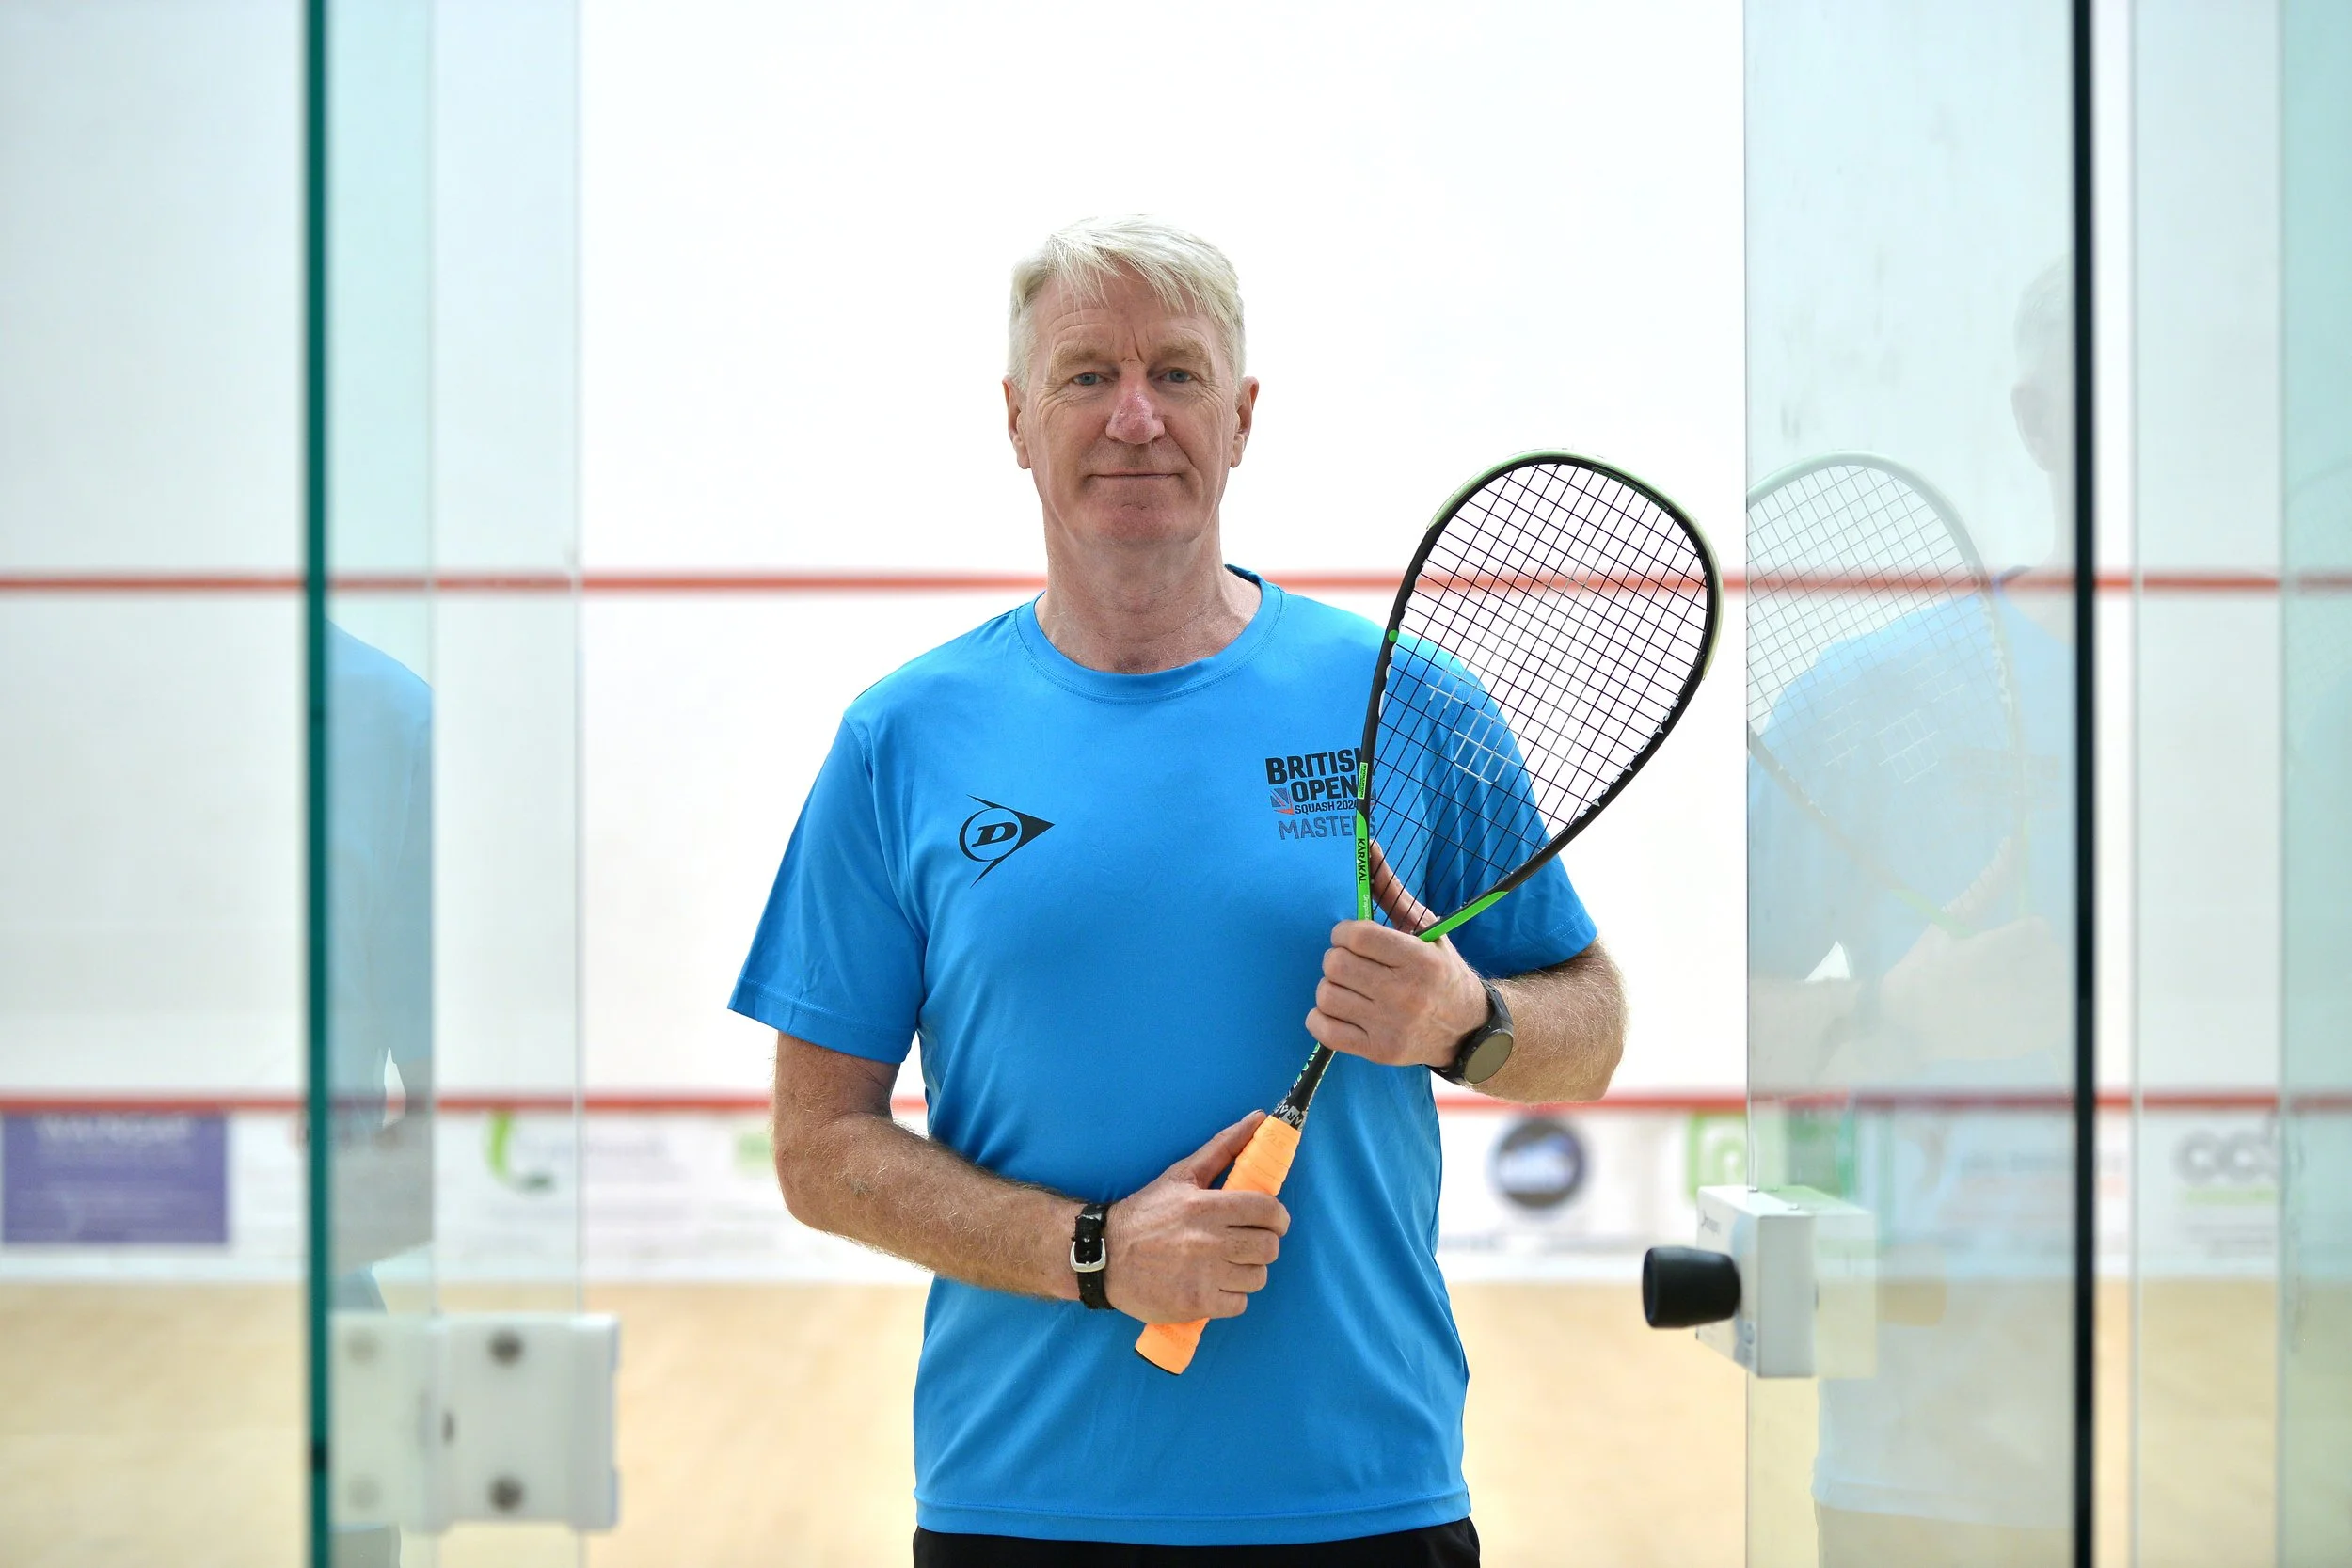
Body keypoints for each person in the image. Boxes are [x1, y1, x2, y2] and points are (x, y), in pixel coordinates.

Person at [730, 214, 1628, 1564]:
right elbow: (819, 1151)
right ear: (1019, 421)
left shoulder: (1410, 705)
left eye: (1180, 374)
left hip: (1366, 1495)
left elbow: (1592, 1029)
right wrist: (1096, 1253)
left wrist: (1465, 1016)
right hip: (1022, 1502)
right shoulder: (902, 739)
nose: (1135, 418)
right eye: (1087, 374)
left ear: (1244, 415)